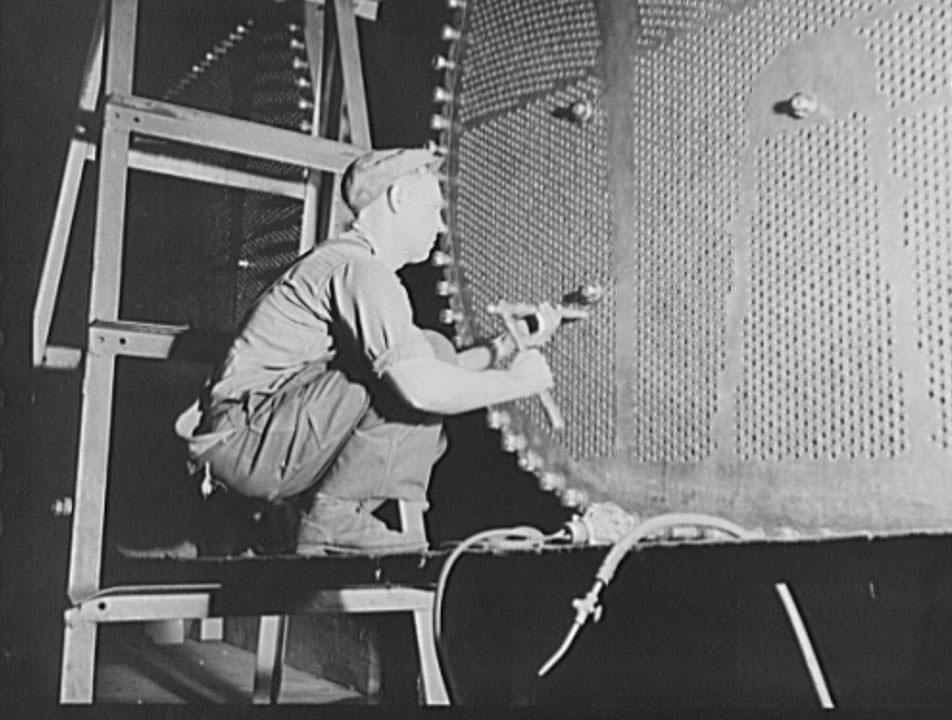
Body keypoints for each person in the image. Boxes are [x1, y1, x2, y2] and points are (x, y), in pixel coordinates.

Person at [176, 146, 562, 555]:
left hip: (252, 442)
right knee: (423, 360)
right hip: (247, 441)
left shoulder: (350, 264)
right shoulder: (359, 270)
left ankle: (327, 513)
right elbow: (422, 389)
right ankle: (332, 515)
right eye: (434, 209)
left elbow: (430, 372)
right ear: (398, 198)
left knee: (431, 352)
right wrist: (517, 382)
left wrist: (502, 346)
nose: (440, 225)